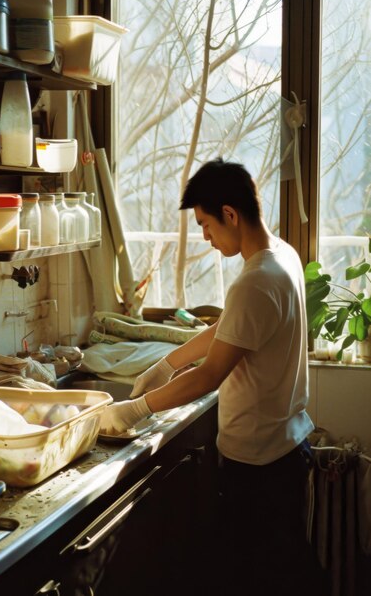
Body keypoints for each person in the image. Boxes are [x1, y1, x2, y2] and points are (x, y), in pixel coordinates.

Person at [99, 159, 329, 595]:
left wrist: (137, 408)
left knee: (263, 577)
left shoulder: (256, 281)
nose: (204, 237)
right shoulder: (282, 256)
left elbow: (209, 376)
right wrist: (166, 364)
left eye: (206, 225)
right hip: (285, 447)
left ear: (230, 214)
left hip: (259, 467)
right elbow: (228, 331)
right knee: (286, 568)